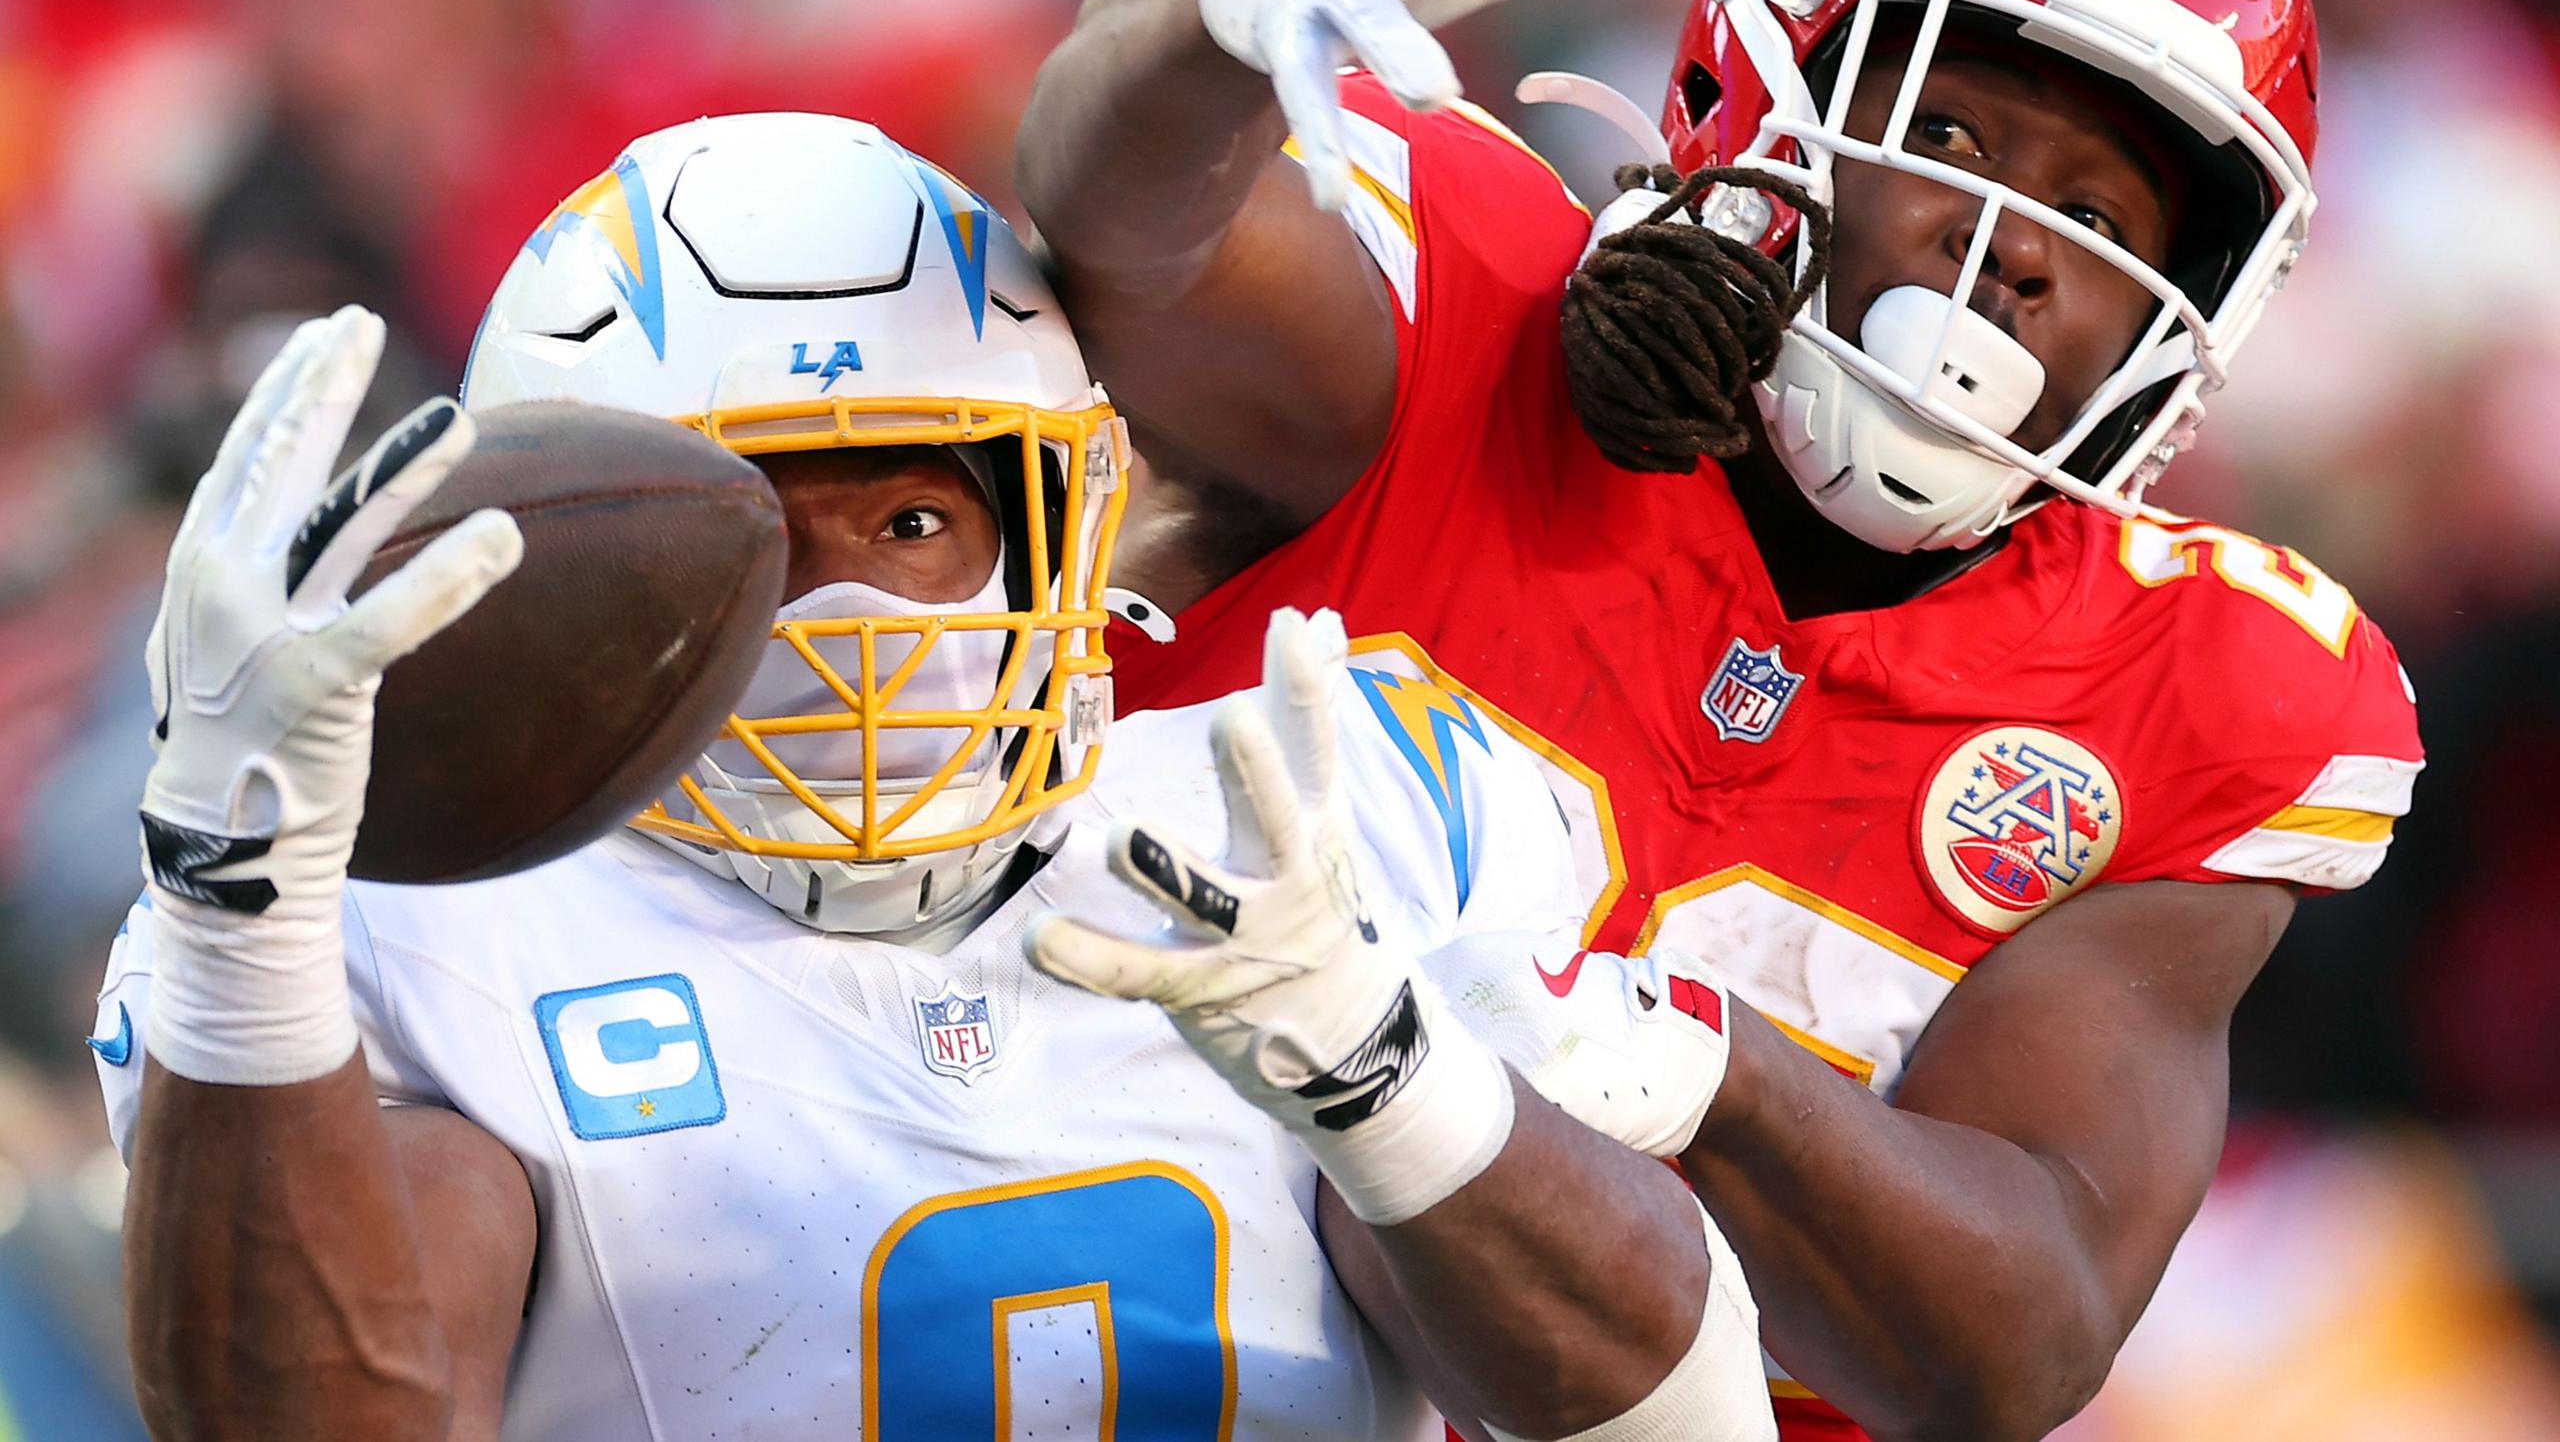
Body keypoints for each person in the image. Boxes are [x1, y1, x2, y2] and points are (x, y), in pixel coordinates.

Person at [1013, 0, 2426, 1442]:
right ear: (1753, 97)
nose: (2013, 249)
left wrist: (1690, 1062)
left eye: (2100, 217)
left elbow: (2005, 1346)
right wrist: (1221, 12)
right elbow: (1123, 223)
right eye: (1953, 132)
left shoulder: (2202, 685)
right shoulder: (1461, 322)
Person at [95, 113, 1773, 1441]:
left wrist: (1388, 1078)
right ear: (560, 587)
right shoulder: (434, 933)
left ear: (1062, 519)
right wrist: (239, 918)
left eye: (912, 524)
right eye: (746, 544)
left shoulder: (1311, 802)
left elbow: (1664, 1422)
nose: (849, 624)